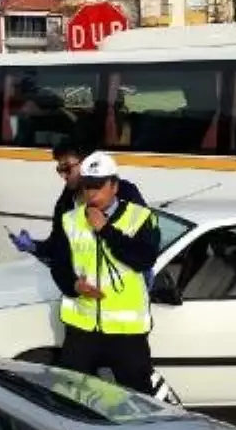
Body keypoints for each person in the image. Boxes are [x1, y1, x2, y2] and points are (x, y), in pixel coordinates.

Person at [47, 150, 161, 395]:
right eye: (87, 187)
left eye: (98, 187)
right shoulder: (70, 220)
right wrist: (74, 286)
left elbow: (144, 259)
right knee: (69, 397)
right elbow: (59, 265)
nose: (91, 193)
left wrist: (106, 230)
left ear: (115, 186)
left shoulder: (140, 218)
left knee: (139, 400)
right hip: (83, 330)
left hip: (126, 334)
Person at [10, 141, 146, 260]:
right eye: (59, 170)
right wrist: (34, 246)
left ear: (87, 163)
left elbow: (145, 241)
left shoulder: (125, 192)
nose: (63, 175)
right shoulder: (65, 203)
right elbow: (57, 247)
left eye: (67, 168)